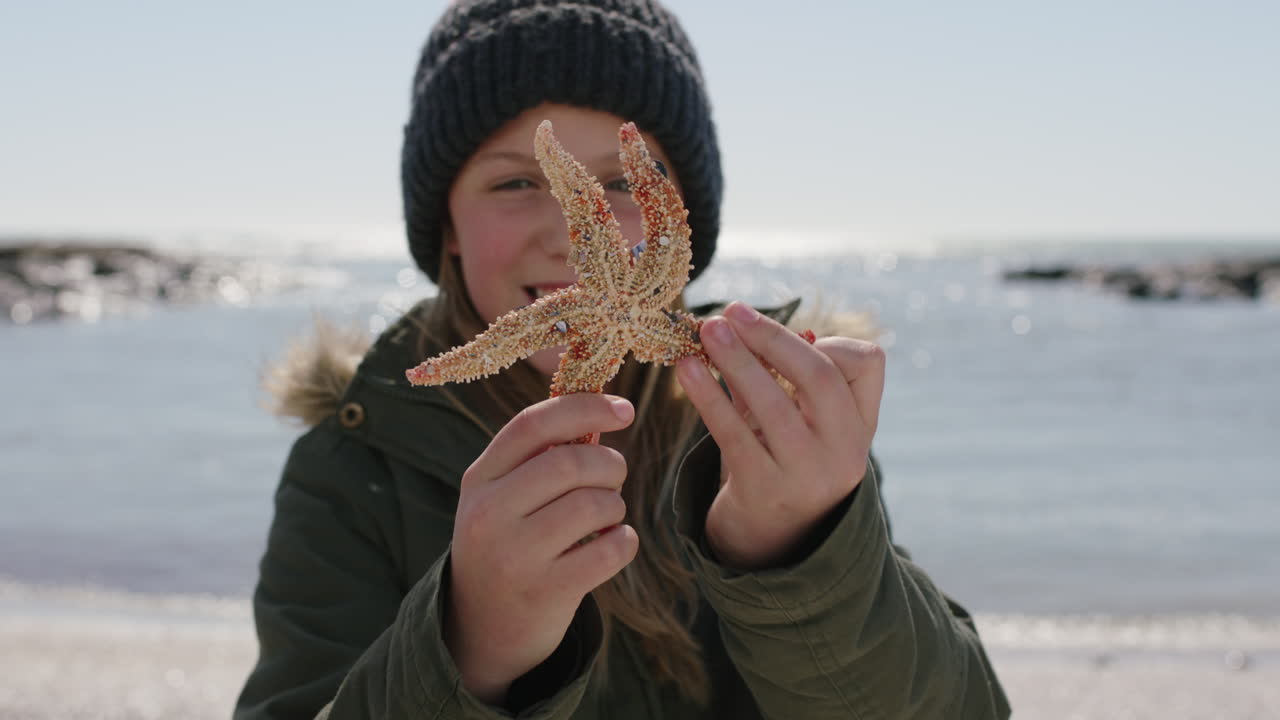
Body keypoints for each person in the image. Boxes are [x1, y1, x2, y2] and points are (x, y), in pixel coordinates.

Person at [235, 1, 1011, 717]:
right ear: (448, 227)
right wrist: (470, 644)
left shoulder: (776, 431)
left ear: (686, 226)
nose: (577, 231)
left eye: (620, 179)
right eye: (514, 180)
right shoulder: (350, 469)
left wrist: (802, 553)